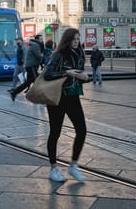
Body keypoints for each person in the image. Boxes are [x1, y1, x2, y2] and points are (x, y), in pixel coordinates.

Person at [42, 28, 89, 182]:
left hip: (73, 96)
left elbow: (81, 75)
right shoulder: (58, 54)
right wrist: (66, 73)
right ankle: (54, 168)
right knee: (55, 132)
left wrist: (85, 77)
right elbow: (47, 74)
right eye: (74, 39)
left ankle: (73, 165)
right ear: (67, 40)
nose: (76, 41)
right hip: (57, 98)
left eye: (78, 38)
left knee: (82, 130)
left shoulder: (80, 54)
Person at [8, 34, 43, 101]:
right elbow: (39, 57)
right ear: (37, 39)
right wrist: (42, 57)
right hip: (31, 66)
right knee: (37, 81)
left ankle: (14, 92)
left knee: (28, 82)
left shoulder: (33, 45)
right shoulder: (35, 46)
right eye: (40, 39)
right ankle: (37, 96)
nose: (41, 40)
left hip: (30, 65)